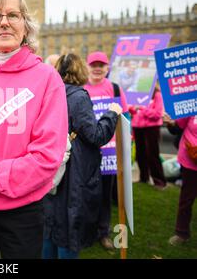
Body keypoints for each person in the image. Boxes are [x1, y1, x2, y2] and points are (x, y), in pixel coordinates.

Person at [0, 0, 68, 259]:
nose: (4, 21)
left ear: (25, 24)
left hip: (21, 212)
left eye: (13, 15)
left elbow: (47, 156)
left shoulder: (46, 79)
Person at [43, 53, 122, 259]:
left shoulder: (52, 92)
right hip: (73, 171)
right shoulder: (79, 96)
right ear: (81, 71)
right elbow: (95, 135)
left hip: (52, 167)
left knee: (49, 224)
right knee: (70, 224)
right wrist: (111, 114)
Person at [83, 50, 128, 250]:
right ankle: (87, 231)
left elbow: (125, 118)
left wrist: (127, 144)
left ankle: (103, 232)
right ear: (87, 67)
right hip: (86, 152)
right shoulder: (81, 89)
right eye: (94, 65)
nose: (98, 68)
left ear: (107, 68)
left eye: (101, 65)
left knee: (104, 196)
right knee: (85, 194)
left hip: (109, 153)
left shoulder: (115, 89)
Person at [164, 114, 197, 245]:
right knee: (186, 199)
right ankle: (181, 233)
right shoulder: (191, 104)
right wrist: (169, 122)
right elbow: (177, 128)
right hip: (190, 162)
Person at [129, 83, 167, 189]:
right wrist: (133, 108)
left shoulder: (157, 95)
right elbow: (131, 108)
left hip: (152, 128)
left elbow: (157, 114)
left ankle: (159, 181)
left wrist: (141, 108)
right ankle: (143, 178)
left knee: (153, 154)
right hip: (137, 127)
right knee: (140, 154)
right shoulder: (138, 92)